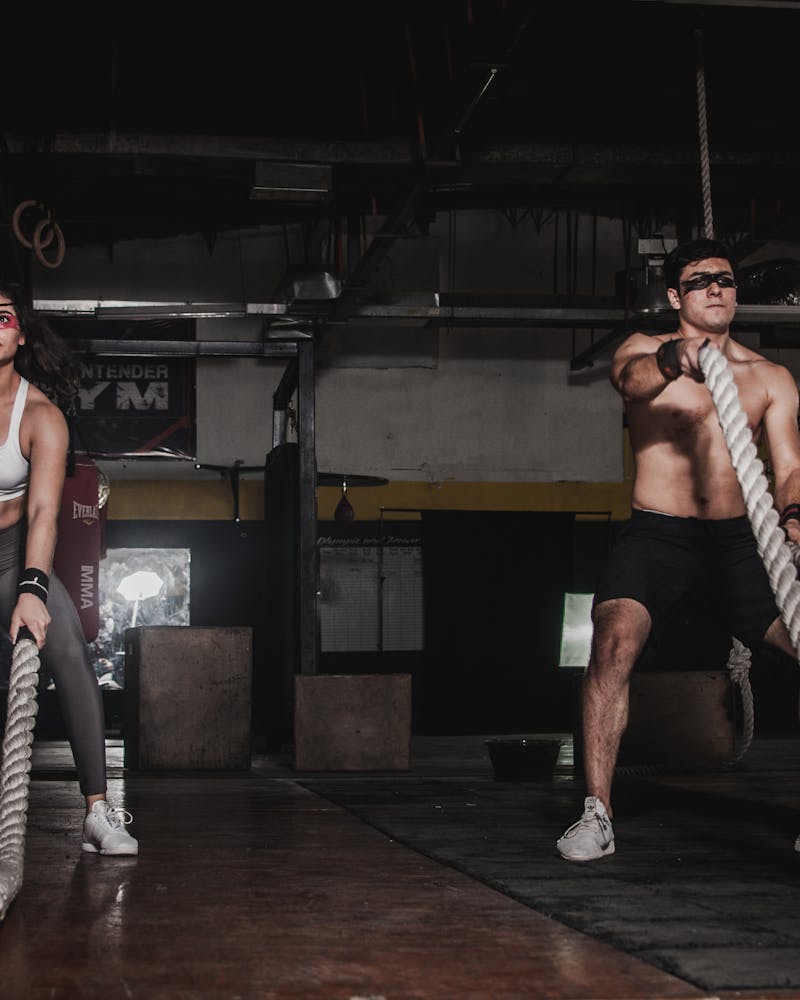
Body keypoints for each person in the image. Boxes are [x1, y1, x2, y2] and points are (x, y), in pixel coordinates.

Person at [556, 236, 800, 862]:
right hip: (658, 536)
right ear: (674, 296)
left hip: (739, 542)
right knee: (611, 644)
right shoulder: (644, 350)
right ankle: (597, 813)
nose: (716, 288)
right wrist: (677, 358)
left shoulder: (769, 377)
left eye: (725, 279)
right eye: (699, 281)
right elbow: (632, 382)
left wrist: (794, 516)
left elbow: (789, 467)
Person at [0, 287, 138, 855]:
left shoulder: (41, 416)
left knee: (71, 652)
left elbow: (43, 512)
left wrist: (32, 587)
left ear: (21, 335)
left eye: (2, 317)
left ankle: (97, 813)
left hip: (13, 556)